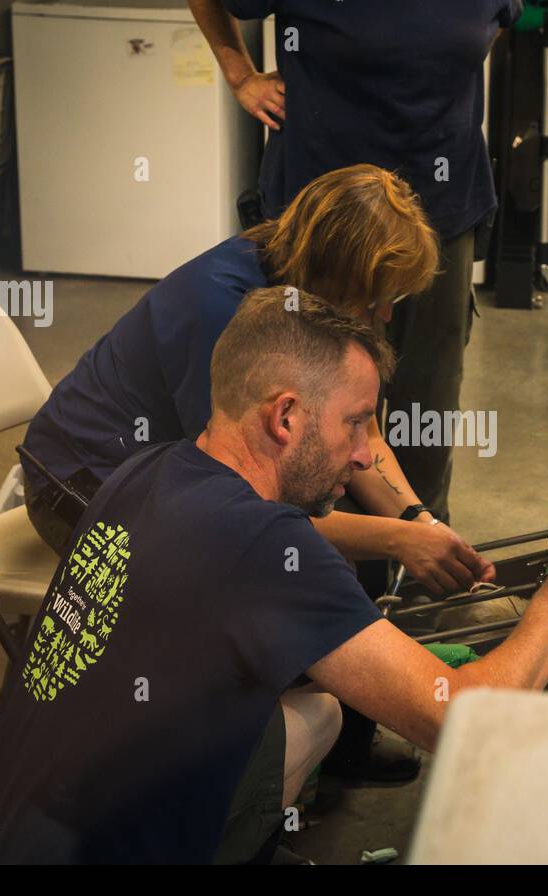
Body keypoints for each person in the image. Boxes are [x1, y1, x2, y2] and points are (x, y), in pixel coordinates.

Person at [0, 286, 548, 864]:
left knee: (321, 708)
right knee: (320, 715)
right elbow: (462, 718)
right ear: (287, 415)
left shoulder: (145, 472)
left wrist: (383, 663)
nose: (363, 456)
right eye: (355, 424)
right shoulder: (263, 545)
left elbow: (203, 635)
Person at [22, 165, 491, 598]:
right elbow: (238, 508)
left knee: (340, 546)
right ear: (338, 272)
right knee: (294, 573)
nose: (386, 315)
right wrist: (395, 539)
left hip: (166, 475)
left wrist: (419, 522)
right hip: (79, 486)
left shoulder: (306, 281)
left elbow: (360, 432)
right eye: (376, 299)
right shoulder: (223, 314)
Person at [188, 0, 523, 525]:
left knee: (424, 409)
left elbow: (499, 20)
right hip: (325, 223)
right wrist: (239, 73)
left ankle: (418, 565)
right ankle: (323, 575)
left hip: (440, 210)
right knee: (314, 415)